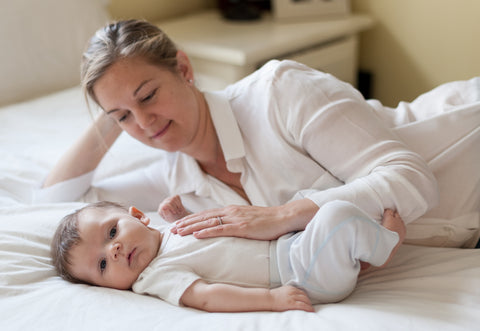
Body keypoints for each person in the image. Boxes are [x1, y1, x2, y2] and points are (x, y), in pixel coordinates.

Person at [38, 19, 480, 248]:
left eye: (150, 95)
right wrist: (114, 102)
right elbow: (56, 203)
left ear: (185, 69)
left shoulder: (278, 93)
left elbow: (411, 179)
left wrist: (283, 216)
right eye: (123, 118)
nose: (145, 123)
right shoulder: (175, 180)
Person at [51, 196, 405, 312]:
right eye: (101, 264)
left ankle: (359, 261)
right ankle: (383, 248)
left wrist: (180, 217)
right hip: (298, 275)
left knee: (321, 212)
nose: (113, 250)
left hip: (291, 246)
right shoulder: (153, 276)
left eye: (112, 232)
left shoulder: (167, 234)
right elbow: (205, 296)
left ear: (139, 216)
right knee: (336, 214)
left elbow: (209, 237)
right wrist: (271, 299)